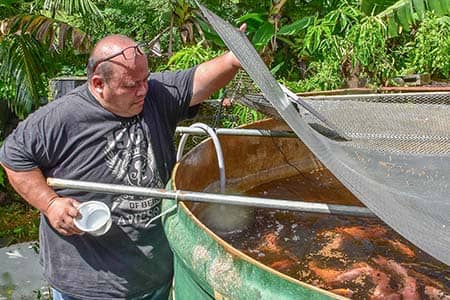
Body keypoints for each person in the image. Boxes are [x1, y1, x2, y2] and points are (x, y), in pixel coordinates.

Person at [0, 33, 242, 299]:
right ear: (98, 83)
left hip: (152, 276)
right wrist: (50, 204)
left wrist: (233, 58)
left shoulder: (155, 96)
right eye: (130, 85)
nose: (143, 90)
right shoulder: (60, 118)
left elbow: (199, 80)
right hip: (87, 285)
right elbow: (14, 159)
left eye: (145, 80)